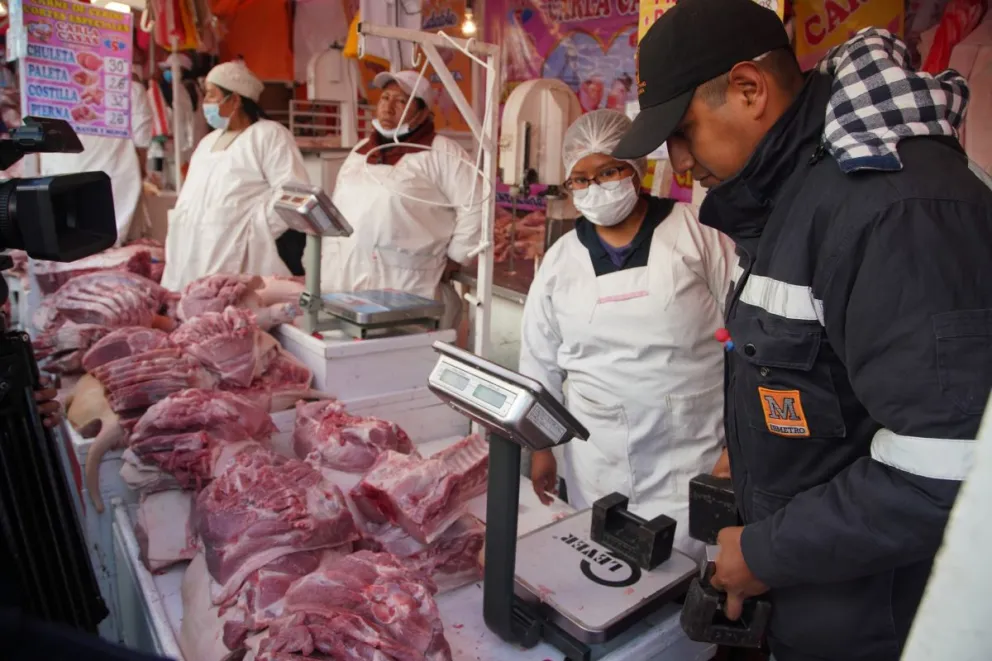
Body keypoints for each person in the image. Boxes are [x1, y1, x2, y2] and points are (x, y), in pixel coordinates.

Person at [613, 1, 992, 659]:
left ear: (749, 89)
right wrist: (750, 449)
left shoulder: (893, 210)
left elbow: (947, 467)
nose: (679, 163)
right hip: (818, 606)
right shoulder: (796, 195)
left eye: (683, 132)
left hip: (882, 628)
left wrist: (767, 552)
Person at [519, 109, 735, 562]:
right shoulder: (560, 261)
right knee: (604, 567)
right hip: (596, 457)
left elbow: (747, 335)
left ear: (636, 168)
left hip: (691, 449)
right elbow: (539, 362)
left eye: (608, 171)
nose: (594, 187)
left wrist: (739, 445)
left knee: (684, 568)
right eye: (580, 179)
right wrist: (541, 448)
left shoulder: (699, 232)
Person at [318, 70, 483, 330]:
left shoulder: (443, 152)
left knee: (400, 348)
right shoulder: (361, 151)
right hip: (345, 281)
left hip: (407, 284)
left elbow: (477, 205)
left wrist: (457, 256)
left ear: (422, 112)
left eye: (401, 101)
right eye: (385, 97)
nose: (388, 107)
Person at [160, 61, 309, 291]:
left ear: (235, 99)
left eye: (212, 95)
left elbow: (295, 191)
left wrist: (256, 230)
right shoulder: (207, 143)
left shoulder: (269, 134)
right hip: (193, 253)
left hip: (245, 256)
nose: (205, 102)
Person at [39, 58, 153, 244]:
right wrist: (141, 173)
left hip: (60, 185)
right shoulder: (131, 88)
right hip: (113, 188)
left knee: (68, 246)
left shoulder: (49, 87)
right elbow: (142, 142)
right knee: (109, 250)